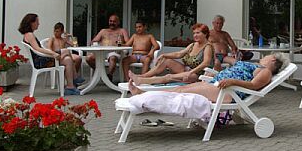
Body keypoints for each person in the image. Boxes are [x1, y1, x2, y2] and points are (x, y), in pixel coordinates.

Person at [129, 53, 288, 103]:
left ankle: (142, 95)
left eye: (268, 55)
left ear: (273, 60)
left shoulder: (265, 71)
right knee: (181, 89)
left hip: (226, 92)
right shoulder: (256, 66)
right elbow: (233, 64)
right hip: (218, 85)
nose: (265, 56)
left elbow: (253, 86)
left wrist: (231, 81)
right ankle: (143, 92)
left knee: (179, 92)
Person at [128, 23, 214, 86]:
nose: (195, 35)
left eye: (198, 33)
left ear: (205, 34)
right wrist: (164, 55)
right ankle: (143, 76)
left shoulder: (207, 47)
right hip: (186, 70)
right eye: (194, 33)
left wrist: (190, 73)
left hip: (197, 74)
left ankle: (142, 81)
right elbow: (179, 54)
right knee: (166, 61)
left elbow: (205, 63)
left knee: (169, 76)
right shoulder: (193, 44)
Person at [18, 13, 80, 95]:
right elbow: (38, 49)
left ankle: (70, 87)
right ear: (31, 23)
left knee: (68, 59)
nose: (38, 24)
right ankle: (75, 77)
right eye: (37, 22)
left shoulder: (29, 34)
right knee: (66, 51)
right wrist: (53, 54)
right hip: (41, 61)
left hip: (42, 59)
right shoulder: (29, 35)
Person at [86, 14, 129, 81]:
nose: (112, 23)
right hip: (102, 51)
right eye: (110, 21)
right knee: (89, 58)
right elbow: (93, 41)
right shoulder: (103, 31)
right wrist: (96, 43)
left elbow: (128, 43)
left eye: (114, 21)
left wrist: (120, 45)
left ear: (118, 22)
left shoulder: (122, 31)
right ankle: (100, 72)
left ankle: (109, 75)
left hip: (114, 52)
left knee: (112, 58)